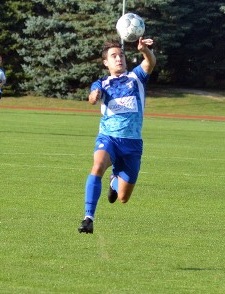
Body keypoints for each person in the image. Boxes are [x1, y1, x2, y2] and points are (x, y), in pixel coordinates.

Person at [78, 37, 156, 234]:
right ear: (106, 62)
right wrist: (94, 97)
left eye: (121, 55)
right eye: (114, 56)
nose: (119, 58)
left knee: (122, 198)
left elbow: (150, 63)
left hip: (132, 144)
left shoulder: (136, 77)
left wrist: (145, 51)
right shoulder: (102, 83)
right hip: (109, 138)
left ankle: (114, 182)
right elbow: (92, 96)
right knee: (97, 167)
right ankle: (88, 217)